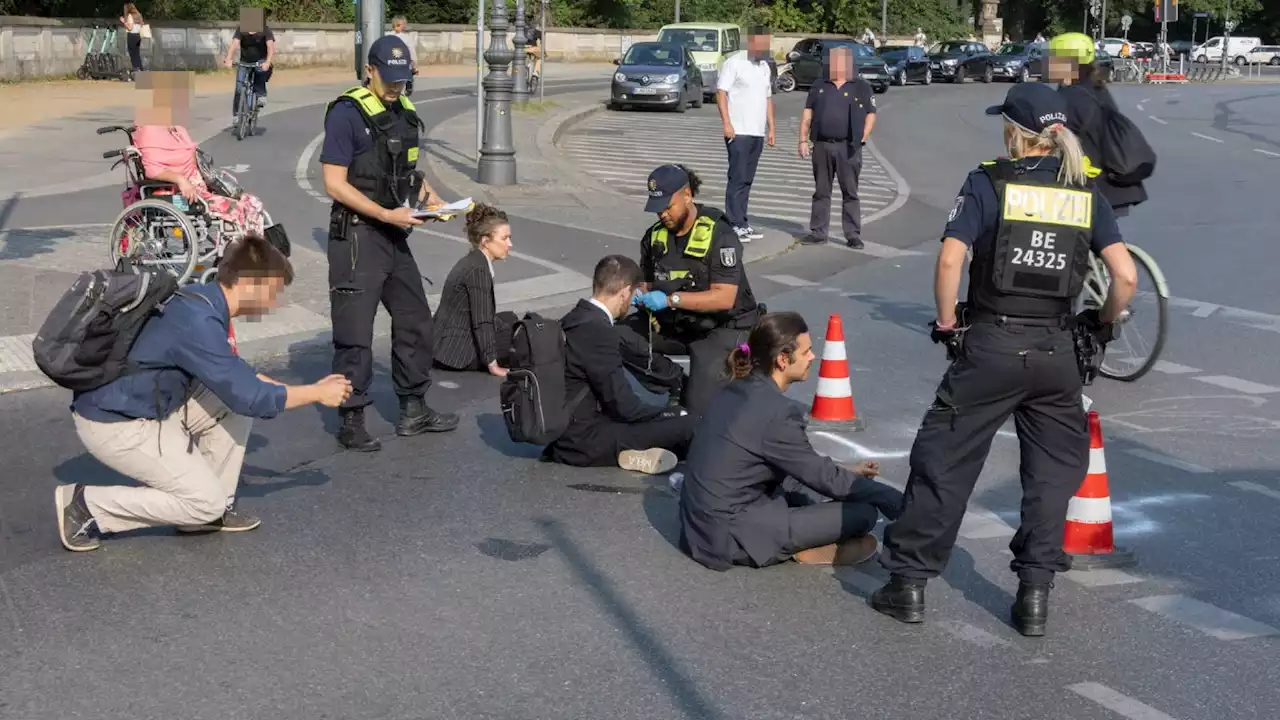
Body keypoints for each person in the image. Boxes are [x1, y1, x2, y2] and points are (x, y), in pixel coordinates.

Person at [870, 83, 1138, 636]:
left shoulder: (989, 181)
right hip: (1057, 351)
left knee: (944, 459)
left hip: (992, 343)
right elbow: (1127, 277)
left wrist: (947, 324)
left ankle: (909, 585)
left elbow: (950, 261)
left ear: (1015, 133)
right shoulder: (1084, 192)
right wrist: (1104, 323)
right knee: (1050, 474)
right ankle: (1034, 595)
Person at [56, 235, 353, 552]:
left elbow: (237, 377)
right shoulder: (197, 320)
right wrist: (316, 394)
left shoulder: (202, 299)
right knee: (206, 494)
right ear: (248, 283)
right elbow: (250, 396)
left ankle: (207, 512)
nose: (276, 303)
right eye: (274, 291)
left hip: (150, 405)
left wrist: (304, 390)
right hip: (116, 425)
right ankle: (85, 505)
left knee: (232, 408)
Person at [679, 311, 903, 571]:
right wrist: (896, 502)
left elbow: (796, 463)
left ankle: (804, 536)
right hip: (731, 536)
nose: (812, 357)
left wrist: (847, 472)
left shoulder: (735, 388)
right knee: (863, 512)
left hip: (697, 527)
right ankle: (798, 547)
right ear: (783, 359)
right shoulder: (777, 411)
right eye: (807, 351)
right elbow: (824, 477)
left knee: (805, 490)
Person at [320, 34, 458, 452]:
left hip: (394, 230)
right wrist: (383, 214)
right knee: (355, 331)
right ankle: (352, 418)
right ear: (370, 70)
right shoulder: (346, 114)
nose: (396, 87)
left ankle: (414, 408)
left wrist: (432, 200)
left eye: (403, 79)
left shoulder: (405, 110)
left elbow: (407, 171)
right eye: (389, 79)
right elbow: (333, 183)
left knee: (415, 316)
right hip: (359, 234)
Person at [544, 255, 698, 474]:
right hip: (585, 442)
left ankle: (636, 454)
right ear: (626, 292)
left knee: (673, 423)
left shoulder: (573, 318)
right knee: (691, 426)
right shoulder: (598, 331)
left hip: (570, 433)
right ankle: (631, 450)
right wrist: (665, 413)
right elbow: (623, 405)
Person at [629, 164, 762, 416]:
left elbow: (724, 297)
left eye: (668, 206)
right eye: (658, 209)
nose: (663, 215)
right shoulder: (653, 237)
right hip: (677, 325)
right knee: (613, 338)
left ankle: (695, 393)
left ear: (687, 195)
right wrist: (637, 295)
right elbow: (645, 281)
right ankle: (675, 380)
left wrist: (670, 300)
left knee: (699, 411)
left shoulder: (719, 234)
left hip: (720, 328)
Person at [133, 71, 268, 236]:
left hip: (196, 187)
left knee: (252, 203)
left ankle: (251, 249)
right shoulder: (150, 131)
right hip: (179, 194)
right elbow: (152, 170)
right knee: (245, 208)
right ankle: (248, 252)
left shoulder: (173, 127)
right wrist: (181, 180)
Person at [1047, 32, 1150, 217]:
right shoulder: (1096, 89)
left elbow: (1055, 141)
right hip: (1110, 187)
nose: (1048, 64)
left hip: (1091, 189)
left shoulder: (1071, 98)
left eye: (1053, 59)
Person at [797, 44, 876, 249]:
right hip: (822, 145)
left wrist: (863, 138)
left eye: (839, 61)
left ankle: (852, 234)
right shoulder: (819, 85)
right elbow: (808, 113)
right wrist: (802, 140)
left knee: (850, 192)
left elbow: (871, 114)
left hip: (848, 147)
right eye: (832, 61)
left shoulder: (861, 86)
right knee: (821, 191)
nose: (835, 65)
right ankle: (818, 232)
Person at [433, 203, 517, 376]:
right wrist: (493, 365)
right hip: (456, 353)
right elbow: (482, 321)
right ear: (485, 241)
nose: (510, 244)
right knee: (524, 341)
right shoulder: (478, 270)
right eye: (504, 238)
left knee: (511, 319)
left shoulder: (474, 261)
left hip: (445, 340)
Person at [716, 24, 776, 243]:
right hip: (738, 131)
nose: (765, 48)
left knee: (747, 179)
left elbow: (767, 98)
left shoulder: (764, 67)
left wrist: (771, 128)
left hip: (756, 132)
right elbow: (721, 93)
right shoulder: (734, 63)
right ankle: (733, 223)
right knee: (737, 177)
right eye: (762, 43)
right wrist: (727, 123)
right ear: (751, 42)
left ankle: (742, 222)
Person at [222, 10, 275, 122]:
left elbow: (270, 47)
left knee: (261, 71)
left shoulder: (265, 30)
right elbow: (235, 44)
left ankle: (261, 94)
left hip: (259, 61)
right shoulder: (242, 29)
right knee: (238, 89)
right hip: (244, 62)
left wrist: (267, 62)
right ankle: (236, 115)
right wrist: (228, 59)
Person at [389, 16, 419, 96]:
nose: (396, 28)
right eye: (395, 26)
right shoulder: (389, 35)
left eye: (399, 25)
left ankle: (408, 83)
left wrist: (414, 63)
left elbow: (411, 51)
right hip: (393, 62)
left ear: (403, 26)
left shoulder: (406, 37)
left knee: (401, 81)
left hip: (403, 63)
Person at [120, 3, 144, 79]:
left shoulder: (130, 16)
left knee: (133, 55)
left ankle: (136, 71)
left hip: (132, 36)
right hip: (138, 36)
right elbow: (142, 24)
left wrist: (124, 22)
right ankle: (141, 70)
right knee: (137, 54)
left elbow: (130, 28)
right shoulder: (139, 15)